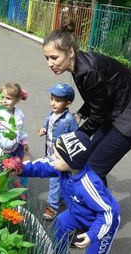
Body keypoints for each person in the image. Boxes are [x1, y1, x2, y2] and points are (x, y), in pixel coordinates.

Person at [43, 20, 131, 186]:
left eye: (54, 58)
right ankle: (92, 207)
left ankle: (102, 211)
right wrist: (81, 114)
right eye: (47, 58)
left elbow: (98, 114)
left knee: (94, 168)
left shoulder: (87, 70)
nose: (50, 64)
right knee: (86, 160)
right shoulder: (79, 66)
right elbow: (98, 97)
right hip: (115, 112)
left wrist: (75, 137)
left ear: (70, 52)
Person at [19, 131, 120, 254]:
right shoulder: (65, 168)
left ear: (71, 162)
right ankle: (58, 251)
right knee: (60, 224)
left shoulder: (87, 185)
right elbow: (43, 166)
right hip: (79, 213)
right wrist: (21, 169)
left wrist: (92, 234)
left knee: (94, 251)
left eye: (57, 157)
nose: (52, 159)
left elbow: (109, 212)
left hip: (102, 222)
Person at [38, 83, 79, 221]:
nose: (53, 103)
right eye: (52, 99)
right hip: (50, 152)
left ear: (68, 103)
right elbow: (47, 123)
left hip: (60, 156)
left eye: (58, 100)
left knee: (54, 180)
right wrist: (43, 129)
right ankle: (61, 198)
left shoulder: (68, 119)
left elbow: (75, 134)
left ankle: (52, 207)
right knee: (61, 179)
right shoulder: (52, 114)